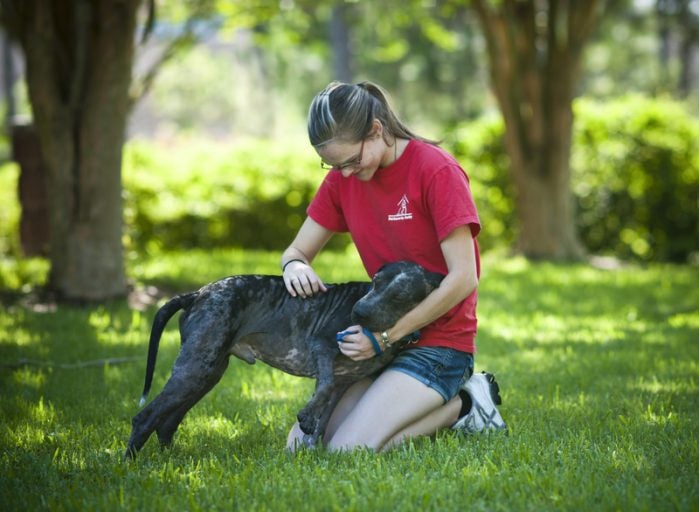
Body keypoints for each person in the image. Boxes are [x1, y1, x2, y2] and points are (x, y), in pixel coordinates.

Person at [281, 81, 506, 452]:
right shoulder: (342, 178)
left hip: (438, 344)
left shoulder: (435, 170)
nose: (346, 173)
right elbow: (296, 252)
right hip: (376, 344)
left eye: (352, 160)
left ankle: (467, 403)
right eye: (334, 165)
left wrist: (386, 338)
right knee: (301, 446)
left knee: (347, 450)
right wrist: (295, 267)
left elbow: (464, 277)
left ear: (376, 130)